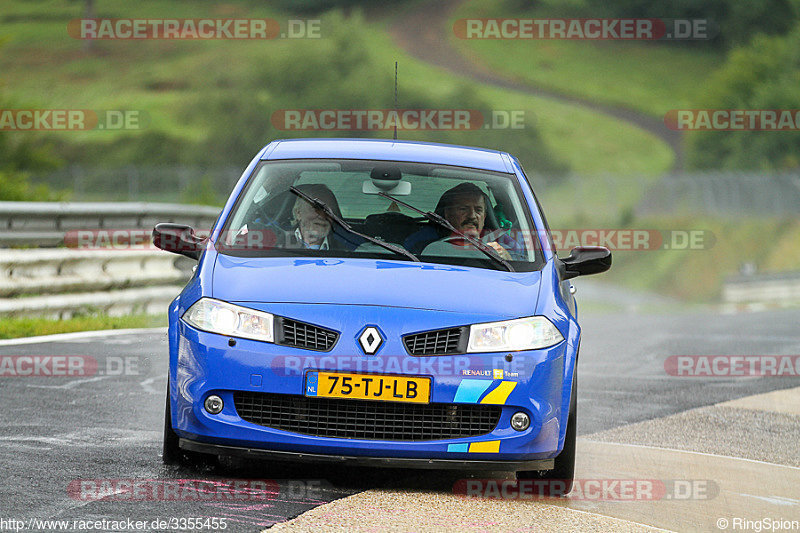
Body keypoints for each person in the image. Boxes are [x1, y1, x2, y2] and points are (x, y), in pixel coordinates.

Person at [288, 183, 348, 250]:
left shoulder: (347, 250)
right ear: (298, 213)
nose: (323, 215)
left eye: (329, 211)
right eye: (317, 209)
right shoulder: (277, 242)